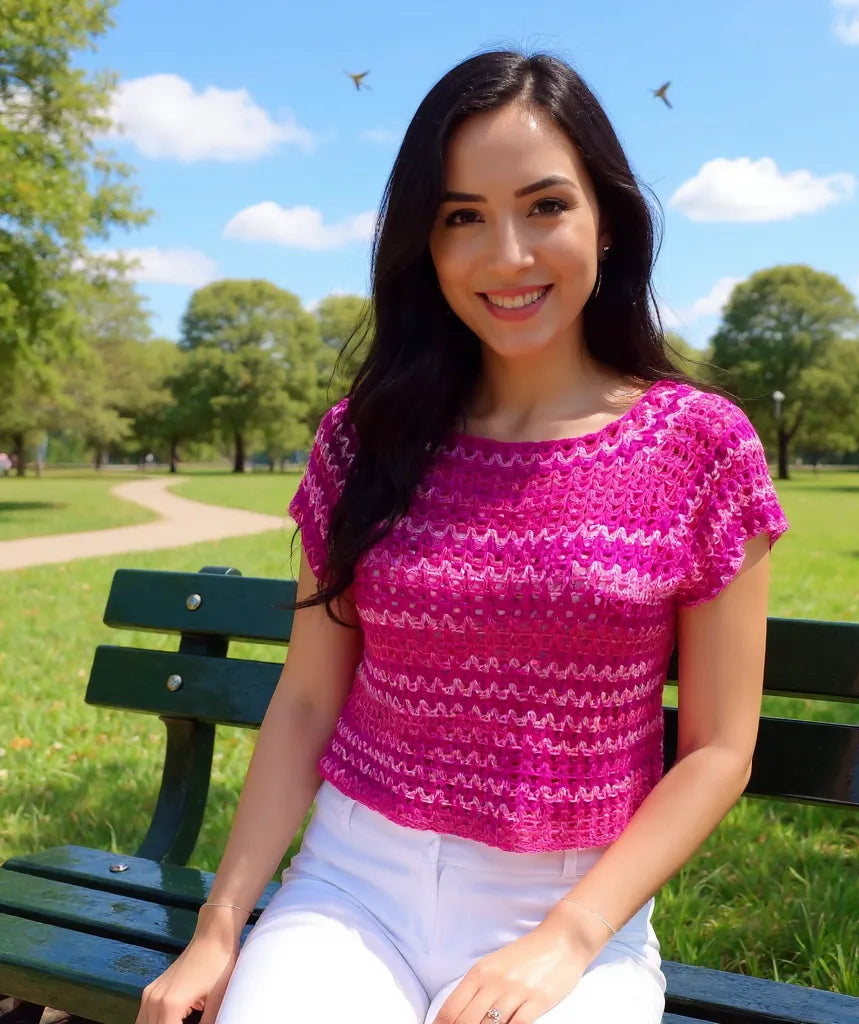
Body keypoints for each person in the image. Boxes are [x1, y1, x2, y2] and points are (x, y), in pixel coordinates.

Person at [136, 49, 788, 1024]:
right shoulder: (366, 438)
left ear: (606, 222)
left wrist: (566, 939)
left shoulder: (700, 447)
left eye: (545, 206)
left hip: (572, 909)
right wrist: (221, 929)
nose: (507, 255)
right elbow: (310, 699)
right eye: (462, 218)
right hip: (350, 891)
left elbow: (718, 749)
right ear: (424, 246)